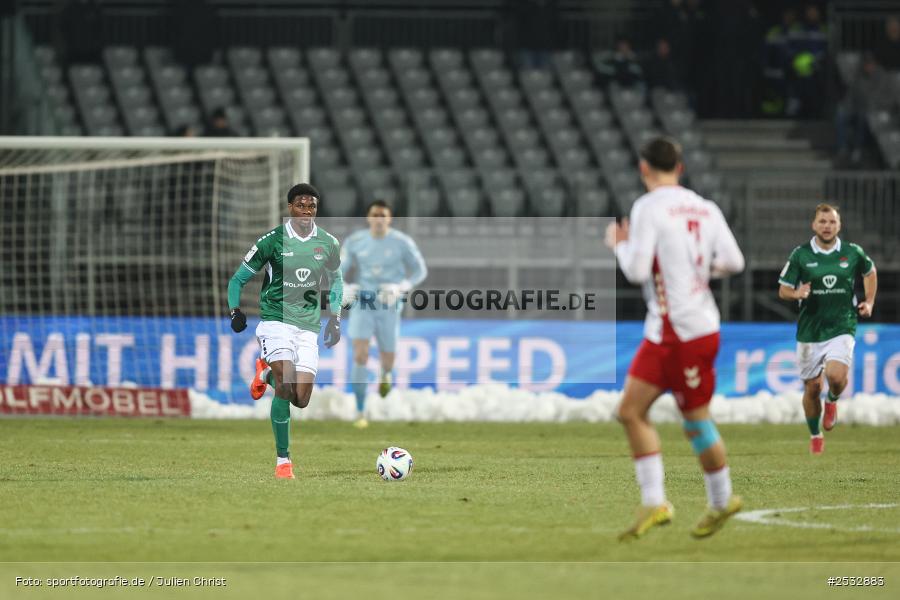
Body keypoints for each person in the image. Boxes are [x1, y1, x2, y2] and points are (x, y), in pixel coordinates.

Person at [604, 136, 745, 540]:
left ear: (643, 168)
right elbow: (735, 262)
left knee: (694, 420)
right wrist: (699, 276)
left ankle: (721, 499)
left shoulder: (648, 208)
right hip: (690, 326)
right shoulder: (706, 207)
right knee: (631, 411)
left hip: (678, 331)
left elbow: (634, 270)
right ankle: (657, 503)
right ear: (680, 168)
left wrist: (619, 243)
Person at [227, 183, 343, 479]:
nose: (307, 211)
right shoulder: (272, 241)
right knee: (286, 383)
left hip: (307, 326)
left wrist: (336, 318)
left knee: (301, 398)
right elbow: (237, 280)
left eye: (312, 206)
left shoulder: (328, 243)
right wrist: (235, 310)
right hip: (275, 321)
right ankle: (283, 462)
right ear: (290, 208)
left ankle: (263, 374)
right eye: (301, 205)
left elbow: (337, 282)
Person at [777, 204, 877, 455]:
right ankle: (815, 434)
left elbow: (870, 271)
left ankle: (832, 401)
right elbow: (783, 289)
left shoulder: (852, 252)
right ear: (814, 225)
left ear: (839, 225)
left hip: (842, 324)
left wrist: (869, 300)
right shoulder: (800, 255)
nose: (827, 226)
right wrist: (796, 292)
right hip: (810, 330)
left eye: (831, 222)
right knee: (812, 388)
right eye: (822, 221)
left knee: (835, 376)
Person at [340, 200, 427, 428]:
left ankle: (386, 374)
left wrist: (402, 287)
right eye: (375, 214)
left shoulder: (401, 242)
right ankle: (360, 411)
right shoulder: (356, 242)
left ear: (389, 219)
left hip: (389, 303)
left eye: (383, 215)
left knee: (388, 357)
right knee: (360, 354)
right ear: (369, 218)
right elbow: (338, 268)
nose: (378, 219)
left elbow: (420, 270)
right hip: (363, 303)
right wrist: (344, 286)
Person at [835, 53, 898, 166]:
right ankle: (842, 148)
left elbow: (887, 98)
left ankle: (858, 149)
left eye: (870, 64)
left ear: (874, 64)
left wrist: (876, 106)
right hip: (858, 108)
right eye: (866, 64)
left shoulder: (882, 78)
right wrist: (845, 107)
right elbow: (851, 96)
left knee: (863, 117)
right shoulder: (858, 78)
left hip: (875, 111)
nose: (868, 67)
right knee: (841, 115)